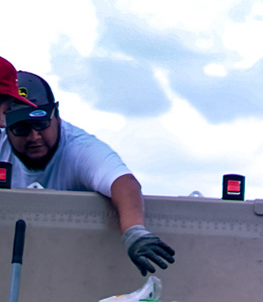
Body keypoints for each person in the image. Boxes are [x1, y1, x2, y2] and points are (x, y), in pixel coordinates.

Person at [0, 59, 175, 276]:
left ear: (56, 115)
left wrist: (134, 232)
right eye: (21, 129)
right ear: (5, 126)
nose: (34, 136)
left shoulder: (80, 148)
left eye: (41, 124)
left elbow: (123, 182)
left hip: (71, 265)